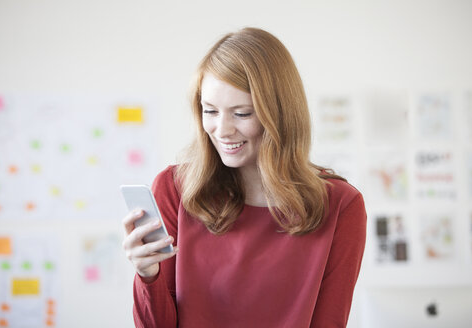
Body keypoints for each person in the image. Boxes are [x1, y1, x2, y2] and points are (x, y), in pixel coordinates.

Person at [122, 27, 366, 328]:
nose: (222, 130)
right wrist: (148, 275)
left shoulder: (341, 205)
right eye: (210, 111)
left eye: (242, 113)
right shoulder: (174, 190)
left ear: (279, 115)